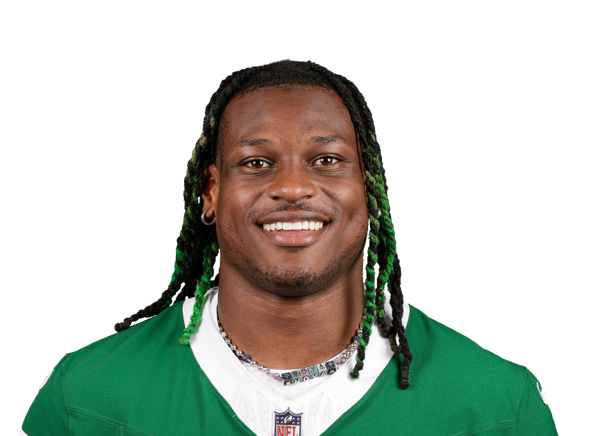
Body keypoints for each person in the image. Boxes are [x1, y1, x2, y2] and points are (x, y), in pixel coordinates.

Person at [19, 59, 559, 435]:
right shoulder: (86, 396)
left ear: (369, 189)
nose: (294, 187)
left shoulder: (496, 404)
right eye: (257, 163)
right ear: (211, 192)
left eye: (327, 160)